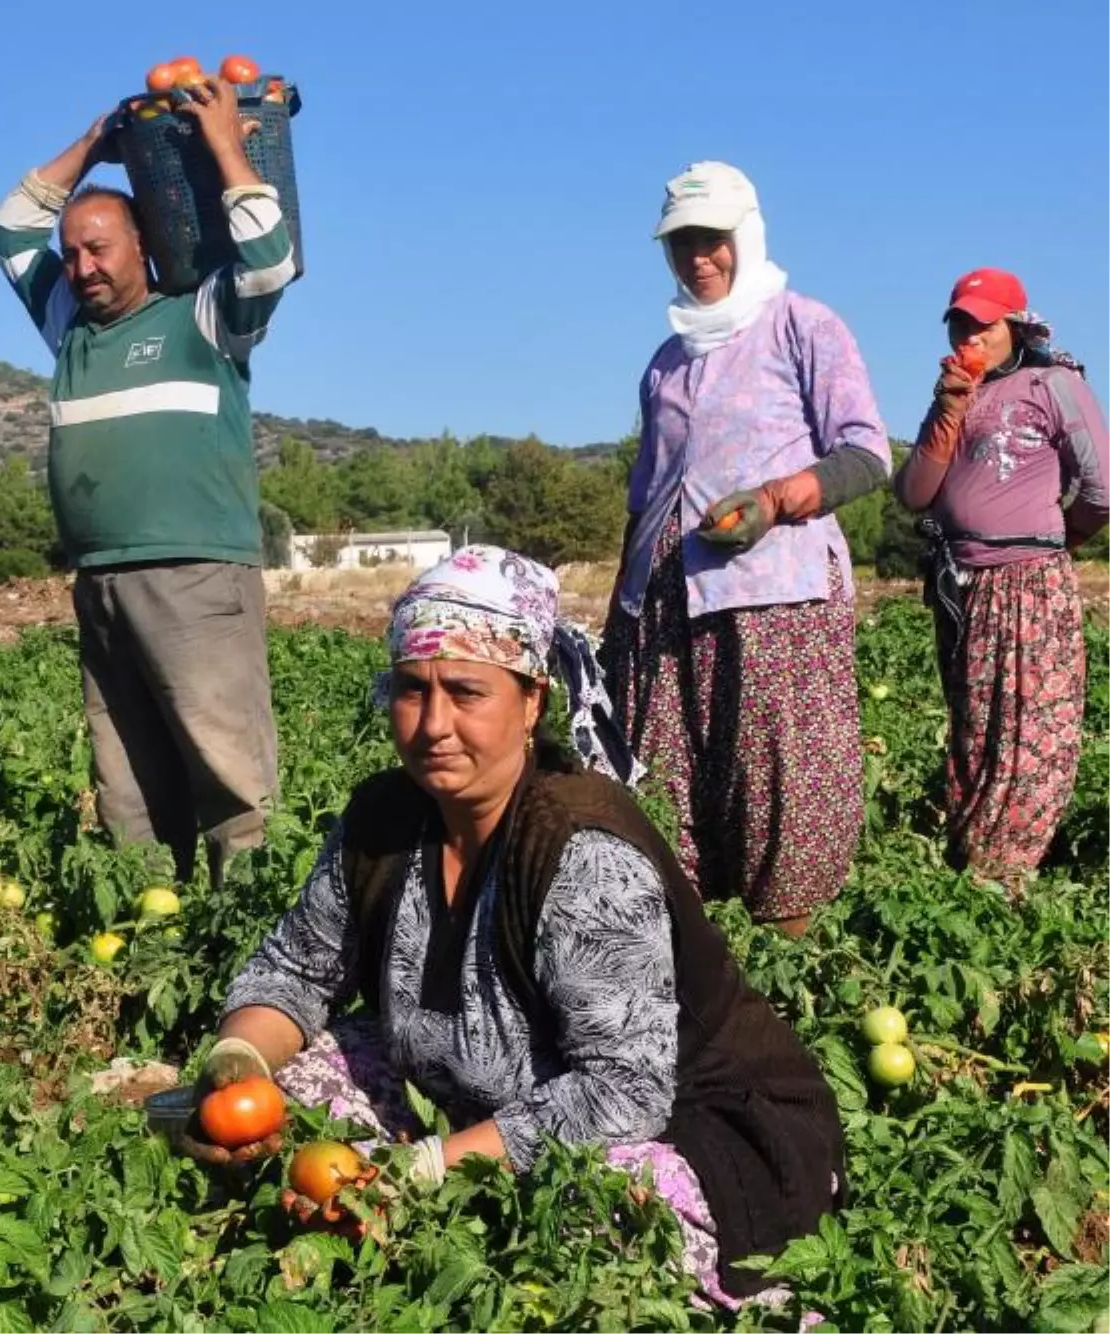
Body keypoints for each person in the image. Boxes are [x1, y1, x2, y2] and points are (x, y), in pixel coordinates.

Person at [181, 546, 846, 1307]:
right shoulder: (384, 820)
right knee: (294, 1082)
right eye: (411, 690)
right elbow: (296, 972)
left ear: (532, 701)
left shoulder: (582, 852)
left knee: (604, 1207)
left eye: (466, 692)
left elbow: (623, 1090)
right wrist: (239, 1065)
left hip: (695, 1122)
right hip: (487, 1103)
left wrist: (427, 1169)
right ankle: (418, 1199)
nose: (433, 725)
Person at [0, 78, 296, 886]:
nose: (83, 266)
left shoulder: (200, 318)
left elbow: (269, 261)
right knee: (125, 779)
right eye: (76, 251)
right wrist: (94, 143)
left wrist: (226, 141)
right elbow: (10, 227)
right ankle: (151, 928)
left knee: (230, 773)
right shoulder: (69, 328)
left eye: (102, 248)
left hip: (195, 576)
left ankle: (249, 940)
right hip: (101, 582)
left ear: (144, 249)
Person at [601, 161, 890, 937]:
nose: (700, 257)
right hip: (661, 602)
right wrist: (615, 620)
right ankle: (691, 964)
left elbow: (865, 453)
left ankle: (787, 963)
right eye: (682, 243)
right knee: (664, 779)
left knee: (777, 775)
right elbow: (643, 497)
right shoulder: (665, 362)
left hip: (775, 591)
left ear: (746, 236)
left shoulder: (803, 325)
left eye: (713, 239)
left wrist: (773, 501)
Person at [894, 268, 1110, 886]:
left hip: (1027, 582)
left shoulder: (1053, 384)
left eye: (983, 324)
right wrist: (948, 408)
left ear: (1014, 326)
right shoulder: (955, 395)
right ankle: (972, 859)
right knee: (975, 727)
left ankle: (1005, 869)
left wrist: (1050, 542)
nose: (970, 334)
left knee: (1029, 727)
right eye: (960, 322)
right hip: (959, 585)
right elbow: (915, 492)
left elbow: (1101, 487)